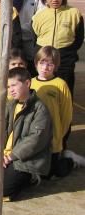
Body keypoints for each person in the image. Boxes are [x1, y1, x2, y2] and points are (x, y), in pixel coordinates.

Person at [0, 67, 52, 200]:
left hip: (24, 159)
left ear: (27, 83)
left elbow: (35, 140)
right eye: (8, 86)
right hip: (3, 155)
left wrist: (12, 156)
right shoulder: (9, 105)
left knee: (2, 190)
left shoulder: (40, 109)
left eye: (14, 85)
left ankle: (31, 178)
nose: (11, 90)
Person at [30, 46, 82, 176]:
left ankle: (70, 160)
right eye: (42, 63)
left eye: (50, 64)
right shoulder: (30, 83)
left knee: (52, 173)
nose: (45, 67)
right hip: (35, 136)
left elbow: (66, 114)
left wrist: (59, 133)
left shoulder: (61, 84)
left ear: (56, 66)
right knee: (39, 171)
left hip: (53, 137)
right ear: (36, 63)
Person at [31, 0, 84, 94]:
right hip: (43, 58)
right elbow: (35, 37)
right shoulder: (38, 16)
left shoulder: (74, 13)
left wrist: (68, 52)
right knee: (42, 90)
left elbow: (79, 39)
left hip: (65, 60)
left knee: (64, 91)